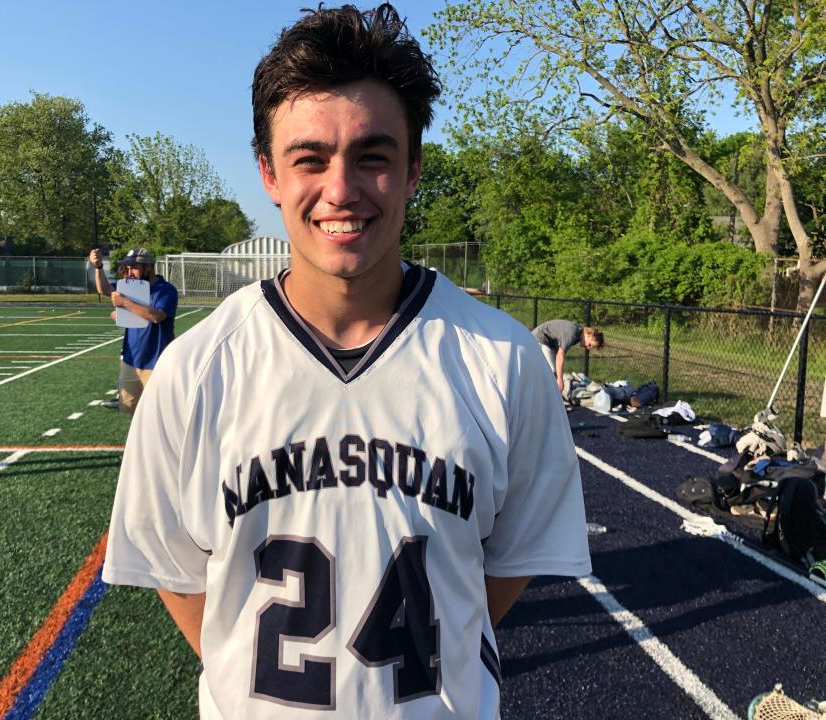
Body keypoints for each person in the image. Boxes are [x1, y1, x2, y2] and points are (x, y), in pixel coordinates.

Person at [103, 5, 591, 718]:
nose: (341, 190)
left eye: (373, 156)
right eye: (310, 158)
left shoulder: (503, 359)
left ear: (413, 169)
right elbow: (174, 573)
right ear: (269, 173)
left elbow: (512, 563)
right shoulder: (197, 367)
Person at [89, 247, 178, 413]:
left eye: (135, 268)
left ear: (149, 267)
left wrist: (125, 304)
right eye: (128, 268)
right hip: (131, 360)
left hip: (157, 361)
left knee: (158, 411)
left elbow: (156, 316)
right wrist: (98, 267)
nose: (130, 272)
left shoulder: (166, 290)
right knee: (128, 407)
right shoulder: (130, 286)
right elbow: (104, 289)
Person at [532, 319, 604, 393]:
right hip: (539, 338)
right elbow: (560, 355)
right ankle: (543, 397)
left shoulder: (577, 332)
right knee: (551, 371)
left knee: (554, 373)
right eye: (590, 344)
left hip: (547, 342)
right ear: (589, 335)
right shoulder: (572, 334)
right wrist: (560, 380)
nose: (588, 348)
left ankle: (549, 396)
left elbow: (558, 351)